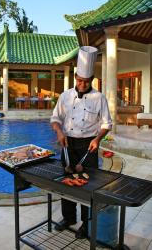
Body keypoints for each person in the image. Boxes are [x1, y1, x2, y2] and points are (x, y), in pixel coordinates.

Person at [50, 46, 112, 239]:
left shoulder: (99, 98)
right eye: (79, 80)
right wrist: (59, 132)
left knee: (87, 186)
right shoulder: (65, 96)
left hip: (89, 145)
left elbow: (106, 124)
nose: (82, 84)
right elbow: (55, 119)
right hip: (68, 144)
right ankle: (68, 218)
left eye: (86, 81)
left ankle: (86, 224)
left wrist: (97, 138)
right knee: (66, 183)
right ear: (75, 76)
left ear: (91, 79)